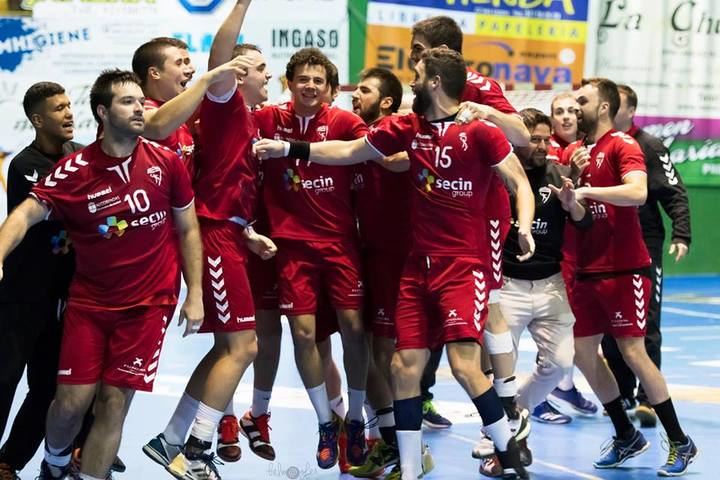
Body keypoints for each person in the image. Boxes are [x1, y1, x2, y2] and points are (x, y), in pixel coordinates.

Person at [254, 46, 534, 480]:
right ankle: (407, 466)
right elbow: (348, 152)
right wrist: (290, 149)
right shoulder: (407, 127)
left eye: (417, 75)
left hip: (462, 265)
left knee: (463, 365)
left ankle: (510, 449)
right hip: (414, 269)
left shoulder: (479, 130)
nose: (412, 83)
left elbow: (518, 178)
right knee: (404, 368)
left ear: (435, 82)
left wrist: (525, 225)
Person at [0, 69, 203, 480]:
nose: (140, 109)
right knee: (69, 405)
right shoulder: (74, 170)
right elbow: (25, 214)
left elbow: (188, 227)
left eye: (140, 101)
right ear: (103, 112)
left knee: (113, 402)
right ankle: (54, 464)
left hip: (150, 306)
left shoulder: (167, 163)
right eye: (127, 102)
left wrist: (195, 291)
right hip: (90, 306)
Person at [408, 16, 533, 449]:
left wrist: (487, 112)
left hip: (479, 214)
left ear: (437, 54)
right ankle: (427, 401)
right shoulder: (418, 93)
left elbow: (521, 135)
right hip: (436, 218)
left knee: (490, 306)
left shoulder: (476, 85)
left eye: (417, 47)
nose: (411, 56)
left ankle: (507, 405)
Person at [564, 77, 697, 476]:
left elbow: (638, 193)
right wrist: (572, 197)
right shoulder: (581, 153)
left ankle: (680, 441)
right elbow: (583, 218)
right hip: (588, 269)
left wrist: (588, 194)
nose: (574, 110)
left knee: (634, 352)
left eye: (581, 103)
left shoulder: (625, 145)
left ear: (603, 107)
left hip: (625, 267)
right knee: (584, 355)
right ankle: (626, 435)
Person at [253, 47, 370, 470]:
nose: (310, 86)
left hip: (340, 245)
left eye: (318, 81)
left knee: (355, 331)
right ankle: (326, 423)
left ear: (331, 89)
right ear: (289, 82)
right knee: (303, 337)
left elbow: (379, 148)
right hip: (291, 248)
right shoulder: (266, 119)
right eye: (303, 78)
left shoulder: (345, 123)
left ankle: (355, 419)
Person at [0, 82, 80, 480]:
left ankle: (8, 461)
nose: (68, 113)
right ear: (37, 119)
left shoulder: (79, 154)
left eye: (69, 105)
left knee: (47, 387)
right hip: (20, 295)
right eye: (58, 108)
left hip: (61, 297)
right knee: (4, 380)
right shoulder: (25, 164)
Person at [601, 83, 691, 427]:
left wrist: (682, 234)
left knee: (646, 322)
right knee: (609, 328)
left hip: (644, 245)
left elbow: (674, 192)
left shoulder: (649, 145)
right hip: (605, 247)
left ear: (630, 111)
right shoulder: (598, 145)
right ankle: (622, 391)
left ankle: (647, 401)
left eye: (615, 106)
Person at [497, 108, 592, 434]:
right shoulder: (499, 174)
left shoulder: (560, 173)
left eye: (545, 139)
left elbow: (585, 221)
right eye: (533, 139)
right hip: (509, 286)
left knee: (560, 363)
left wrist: (572, 202)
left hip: (551, 286)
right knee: (500, 370)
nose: (540, 145)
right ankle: (496, 438)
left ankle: (516, 415)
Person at [344, 66, 407, 478]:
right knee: (363, 352)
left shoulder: (393, 130)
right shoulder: (360, 135)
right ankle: (387, 443)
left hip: (394, 258)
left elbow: (403, 159)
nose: (355, 96)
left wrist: (365, 148)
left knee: (383, 357)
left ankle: (403, 449)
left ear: (385, 101)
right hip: (365, 255)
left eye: (363, 91)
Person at [538, 92, 599, 423]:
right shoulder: (549, 152)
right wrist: (571, 174)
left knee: (568, 325)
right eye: (558, 111)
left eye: (572, 111)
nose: (566, 117)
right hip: (553, 253)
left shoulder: (585, 150)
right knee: (549, 326)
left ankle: (563, 386)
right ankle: (539, 396)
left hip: (581, 250)